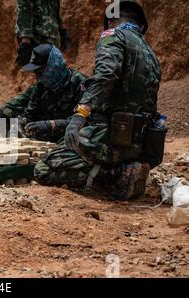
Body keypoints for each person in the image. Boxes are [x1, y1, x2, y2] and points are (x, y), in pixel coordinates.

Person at [34, 0, 163, 200]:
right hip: (138, 142)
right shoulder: (151, 54)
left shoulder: (113, 36)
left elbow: (105, 77)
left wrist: (80, 115)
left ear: (112, 21)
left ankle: (117, 175)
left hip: (110, 138)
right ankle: (125, 167)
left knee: (44, 167)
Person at [0, 44, 88, 142]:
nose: (38, 77)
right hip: (50, 140)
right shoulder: (42, 86)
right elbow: (30, 114)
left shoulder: (81, 85)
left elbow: (87, 121)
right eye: (36, 73)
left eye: (40, 71)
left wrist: (52, 124)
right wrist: (21, 128)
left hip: (74, 139)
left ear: (54, 65)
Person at [15, 0, 70, 66]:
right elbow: (24, 11)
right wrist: (25, 42)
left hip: (50, 39)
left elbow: (56, 9)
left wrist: (63, 31)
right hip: (37, 40)